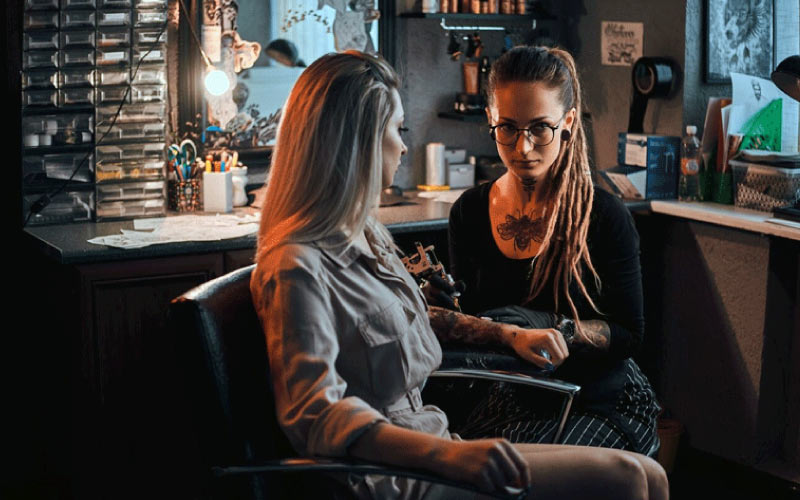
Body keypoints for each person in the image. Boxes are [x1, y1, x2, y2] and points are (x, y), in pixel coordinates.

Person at [251, 50, 668, 500]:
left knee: (652, 475)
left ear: (566, 123)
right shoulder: (296, 266)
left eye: (539, 129)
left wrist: (507, 334)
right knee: (625, 479)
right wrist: (448, 455)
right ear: (360, 141)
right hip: (399, 469)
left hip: (442, 431)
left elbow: (418, 323)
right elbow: (315, 414)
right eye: (398, 129)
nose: (405, 145)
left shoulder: (365, 238)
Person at [442, 45, 661, 455]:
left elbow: (630, 335)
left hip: (599, 400)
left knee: (532, 475)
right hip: (511, 396)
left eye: (540, 128)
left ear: (568, 122)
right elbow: (469, 321)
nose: (523, 148)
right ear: (490, 118)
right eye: (507, 127)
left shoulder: (603, 216)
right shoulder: (468, 214)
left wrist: (556, 330)